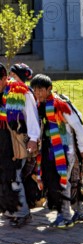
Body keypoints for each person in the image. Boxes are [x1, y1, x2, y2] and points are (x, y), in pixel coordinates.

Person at [30, 74, 83, 228]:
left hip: (66, 150)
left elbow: (78, 125)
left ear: (49, 89)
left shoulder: (60, 105)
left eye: (40, 90)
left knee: (62, 181)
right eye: (35, 90)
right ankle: (81, 212)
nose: (37, 94)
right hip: (51, 150)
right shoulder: (40, 106)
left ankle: (64, 216)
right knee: (69, 181)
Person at [0, 63, 40, 228]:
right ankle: (10, 209)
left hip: (14, 141)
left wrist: (34, 138)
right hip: (2, 140)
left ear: (4, 78)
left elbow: (31, 114)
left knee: (14, 175)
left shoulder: (19, 91)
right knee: (3, 177)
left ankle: (22, 212)